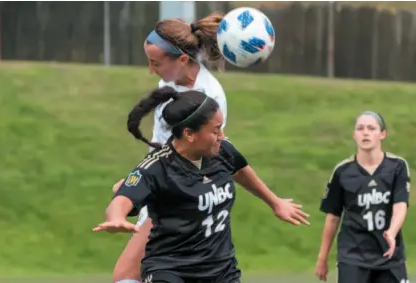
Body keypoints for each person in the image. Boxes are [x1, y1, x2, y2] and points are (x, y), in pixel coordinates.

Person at [94, 87, 310, 283]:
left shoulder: (222, 152)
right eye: (215, 130)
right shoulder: (156, 167)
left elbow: (241, 170)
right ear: (189, 134)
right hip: (171, 270)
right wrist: (116, 219)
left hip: (221, 270)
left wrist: (275, 202)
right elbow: (122, 198)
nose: (222, 136)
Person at [111, 12, 228, 283]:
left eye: (155, 63)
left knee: (126, 276)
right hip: (166, 188)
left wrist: (145, 187)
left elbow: (207, 155)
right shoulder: (171, 82)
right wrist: (135, 183)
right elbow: (163, 147)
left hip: (178, 199)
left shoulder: (208, 98)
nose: (152, 70)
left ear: (183, 60)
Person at [315, 111, 410, 283]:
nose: (365, 132)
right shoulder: (343, 172)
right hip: (353, 257)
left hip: (389, 256)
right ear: (354, 135)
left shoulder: (397, 167)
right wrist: (322, 257)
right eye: (360, 128)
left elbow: (400, 204)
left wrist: (392, 232)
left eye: (371, 128)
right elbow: (333, 217)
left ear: (382, 134)